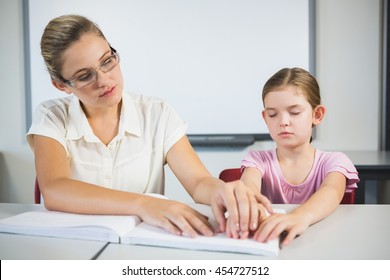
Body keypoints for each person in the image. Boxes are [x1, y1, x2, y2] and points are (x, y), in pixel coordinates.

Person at [26, 14, 260, 238]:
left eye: (107, 61)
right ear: (61, 85)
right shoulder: (52, 116)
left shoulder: (157, 112)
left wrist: (223, 192)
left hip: (139, 244)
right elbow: (55, 190)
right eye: (85, 76)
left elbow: (199, 182)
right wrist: (144, 203)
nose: (105, 80)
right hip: (73, 247)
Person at [237, 67, 359, 247]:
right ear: (265, 118)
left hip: (322, 245)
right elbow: (249, 186)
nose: (283, 121)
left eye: (294, 112)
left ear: (317, 115)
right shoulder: (257, 160)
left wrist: (299, 217)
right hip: (272, 244)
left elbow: (332, 191)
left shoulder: (335, 162)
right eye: (273, 114)